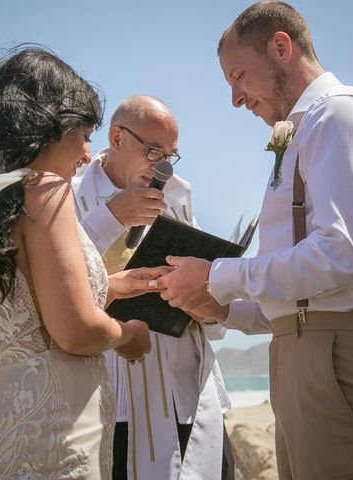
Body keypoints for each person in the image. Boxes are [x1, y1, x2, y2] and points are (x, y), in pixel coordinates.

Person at [156, 2, 353, 479]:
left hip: (347, 364)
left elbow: (341, 256)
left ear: (281, 47)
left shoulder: (342, 117)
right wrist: (221, 308)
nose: (235, 99)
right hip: (311, 359)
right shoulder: (305, 131)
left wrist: (216, 276)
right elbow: (304, 296)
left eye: (238, 76)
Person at [0, 46, 160, 479]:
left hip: (1, 437)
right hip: (58, 437)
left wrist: (113, 287)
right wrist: (127, 335)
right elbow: (73, 330)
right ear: (49, 126)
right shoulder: (48, 191)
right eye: (84, 134)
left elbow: (28, 313)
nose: (88, 154)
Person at [72, 95, 233, 480]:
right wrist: (112, 218)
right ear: (116, 138)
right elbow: (61, 285)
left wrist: (201, 299)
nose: (162, 166)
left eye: (171, 155)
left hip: (188, 394)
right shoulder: (70, 194)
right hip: (116, 403)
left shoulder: (177, 197)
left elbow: (214, 315)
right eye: (153, 151)